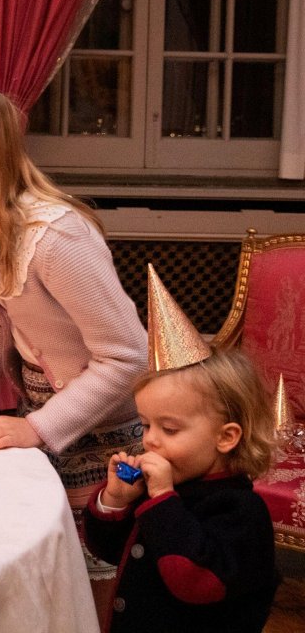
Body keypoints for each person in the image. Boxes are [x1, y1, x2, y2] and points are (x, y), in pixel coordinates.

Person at [0, 89, 147, 526]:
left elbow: (128, 355)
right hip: (40, 416)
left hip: (104, 437)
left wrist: (40, 429)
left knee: (91, 564)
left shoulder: (56, 239)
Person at [84, 268, 278, 632]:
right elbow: (110, 551)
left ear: (226, 437)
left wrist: (161, 499)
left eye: (169, 428)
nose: (151, 440)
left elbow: (194, 582)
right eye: (145, 425)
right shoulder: (162, 492)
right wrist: (116, 500)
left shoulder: (240, 511)